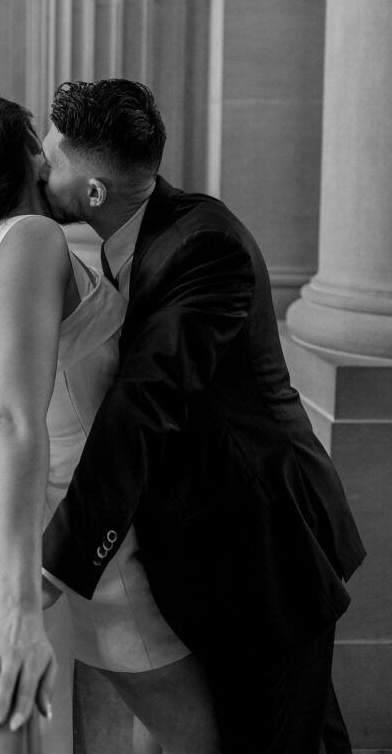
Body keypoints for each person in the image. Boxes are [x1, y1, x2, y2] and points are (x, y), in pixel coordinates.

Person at [34, 79, 365, 753]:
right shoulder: (137, 234)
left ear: (93, 193)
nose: (40, 169)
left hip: (265, 552)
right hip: (224, 549)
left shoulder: (200, 246)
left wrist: (52, 564)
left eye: (52, 162)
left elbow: (144, 403)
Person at [0, 95, 220, 754]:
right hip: (114, 558)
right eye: (34, 145)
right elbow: (16, 416)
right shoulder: (29, 237)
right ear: (10, 161)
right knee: (205, 739)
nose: (46, 160)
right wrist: (15, 603)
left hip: (98, 531)